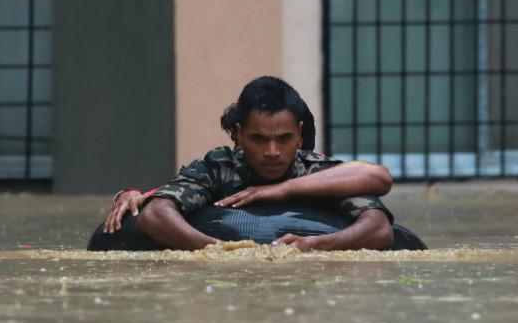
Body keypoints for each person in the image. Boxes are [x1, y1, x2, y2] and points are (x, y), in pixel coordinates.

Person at [102, 76, 396, 251]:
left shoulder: (314, 170)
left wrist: (313, 242)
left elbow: (379, 225)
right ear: (240, 134)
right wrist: (220, 252)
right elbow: (155, 215)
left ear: (299, 135)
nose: (272, 151)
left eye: (284, 138)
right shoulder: (220, 166)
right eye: (258, 138)